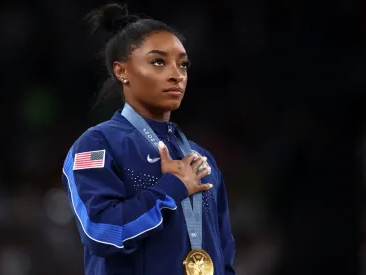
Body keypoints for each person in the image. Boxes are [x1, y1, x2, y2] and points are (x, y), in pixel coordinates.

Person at [61, 3, 236, 275]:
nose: (176, 75)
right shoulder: (97, 145)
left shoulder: (201, 158)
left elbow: (223, 260)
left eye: (183, 64)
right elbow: (101, 232)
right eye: (158, 62)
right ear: (122, 71)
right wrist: (170, 189)